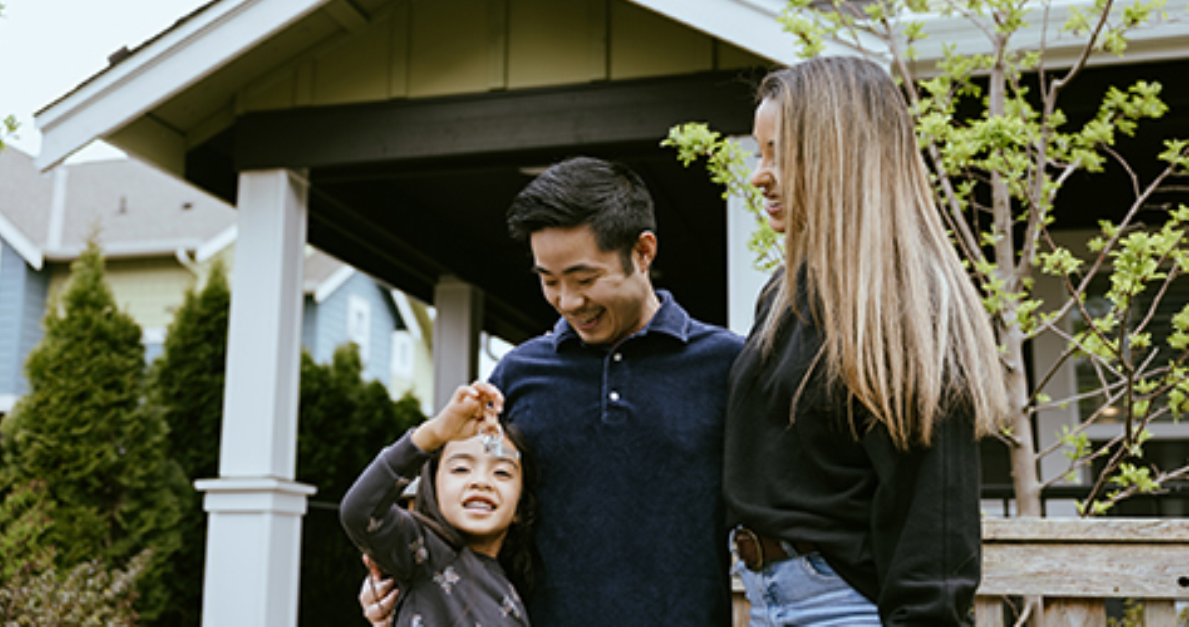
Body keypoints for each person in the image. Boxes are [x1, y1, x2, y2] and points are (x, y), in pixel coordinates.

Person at [360, 156, 745, 626]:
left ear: (643, 252)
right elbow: (455, 507)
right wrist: (403, 577)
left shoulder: (727, 365)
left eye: (585, 280)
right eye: (548, 281)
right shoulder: (518, 373)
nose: (568, 302)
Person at [724, 56, 1009, 626]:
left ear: (838, 155)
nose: (759, 175)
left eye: (779, 153)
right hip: (766, 602)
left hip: (846, 608)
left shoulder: (908, 309)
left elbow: (935, 523)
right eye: (760, 154)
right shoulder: (783, 295)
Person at [341, 382, 537, 626]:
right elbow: (360, 512)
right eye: (461, 468)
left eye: (502, 473)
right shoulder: (423, 552)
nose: (481, 482)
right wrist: (433, 434)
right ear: (432, 487)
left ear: (520, 507)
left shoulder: (514, 594)